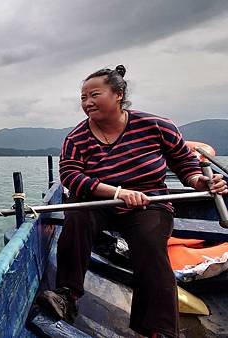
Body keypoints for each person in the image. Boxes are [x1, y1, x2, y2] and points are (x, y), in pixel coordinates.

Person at [37, 65, 228, 338]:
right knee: (75, 217)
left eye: (94, 95)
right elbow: (70, 176)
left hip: (149, 202)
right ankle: (67, 296)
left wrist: (202, 182)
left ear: (118, 94)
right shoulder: (77, 137)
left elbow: (186, 164)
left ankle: (158, 330)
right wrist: (116, 192)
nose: (87, 103)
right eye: (83, 98)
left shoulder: (157, 126)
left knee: (150, 245)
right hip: (97, 201)